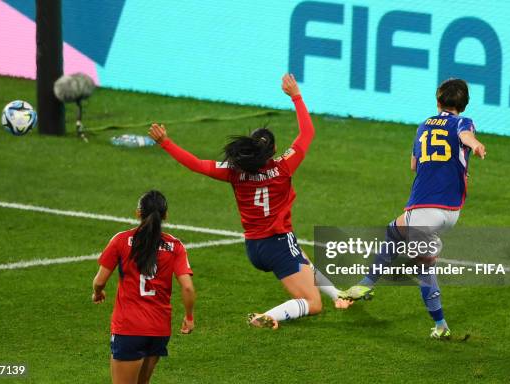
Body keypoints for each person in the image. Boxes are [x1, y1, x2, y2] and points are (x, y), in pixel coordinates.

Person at [148, 74, 350, 330]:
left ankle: (338, 295)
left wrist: (165, 142)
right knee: (312, 302)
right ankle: (269, 316)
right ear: (273, 151)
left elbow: (197, 165)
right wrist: (295, 95)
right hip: (277, 244)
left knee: (301, 254)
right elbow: (307, 132)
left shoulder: (235, 171)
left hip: (254, 248)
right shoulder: (283, 167)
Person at [340, 78, 486, 339]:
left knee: (417, 260)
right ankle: (440, 326)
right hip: (452, 211)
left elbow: (413, 165)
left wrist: (465, 146)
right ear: (463, 105)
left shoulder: (424, 126)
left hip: (424, 207)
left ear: (437, 100)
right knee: (398, 234)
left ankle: (368, 284)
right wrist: (473, 145)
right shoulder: (463, 122)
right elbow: (465, 136)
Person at [92, 190, 195, 383]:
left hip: (129, 328)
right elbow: (188, 288)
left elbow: (99, 281)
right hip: (159, 330)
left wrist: (98, 293)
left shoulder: (121, 240)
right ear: (165, 215)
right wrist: (189, 317)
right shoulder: (175, 246)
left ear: (138, 213)